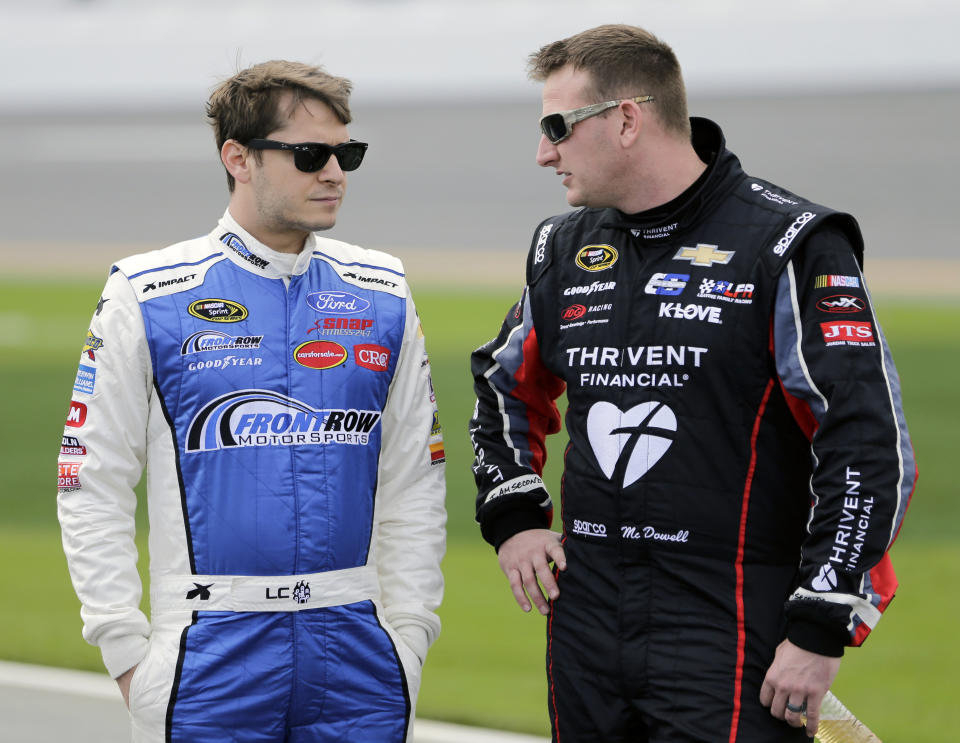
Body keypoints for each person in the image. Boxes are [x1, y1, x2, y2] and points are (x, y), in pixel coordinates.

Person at [469, 24, 914, 742]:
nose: (544, 152)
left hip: (730, 619)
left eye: (557, 126)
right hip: (585, 622)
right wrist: (515, 515)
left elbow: (868, 443)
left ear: (625, 120)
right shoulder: (563, 247)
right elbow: (500, 384)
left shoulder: (791, 245)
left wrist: (822, 619)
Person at [57, 60, 446, 742]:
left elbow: (416, 478)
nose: (334, 173)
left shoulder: (382, 290)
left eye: (345, 153)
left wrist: (408, 636)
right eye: (309, 154)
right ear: (237, 158)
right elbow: (89, 478)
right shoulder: (147, 292)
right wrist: (124, 650)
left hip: (358, 648)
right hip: (211, 651)